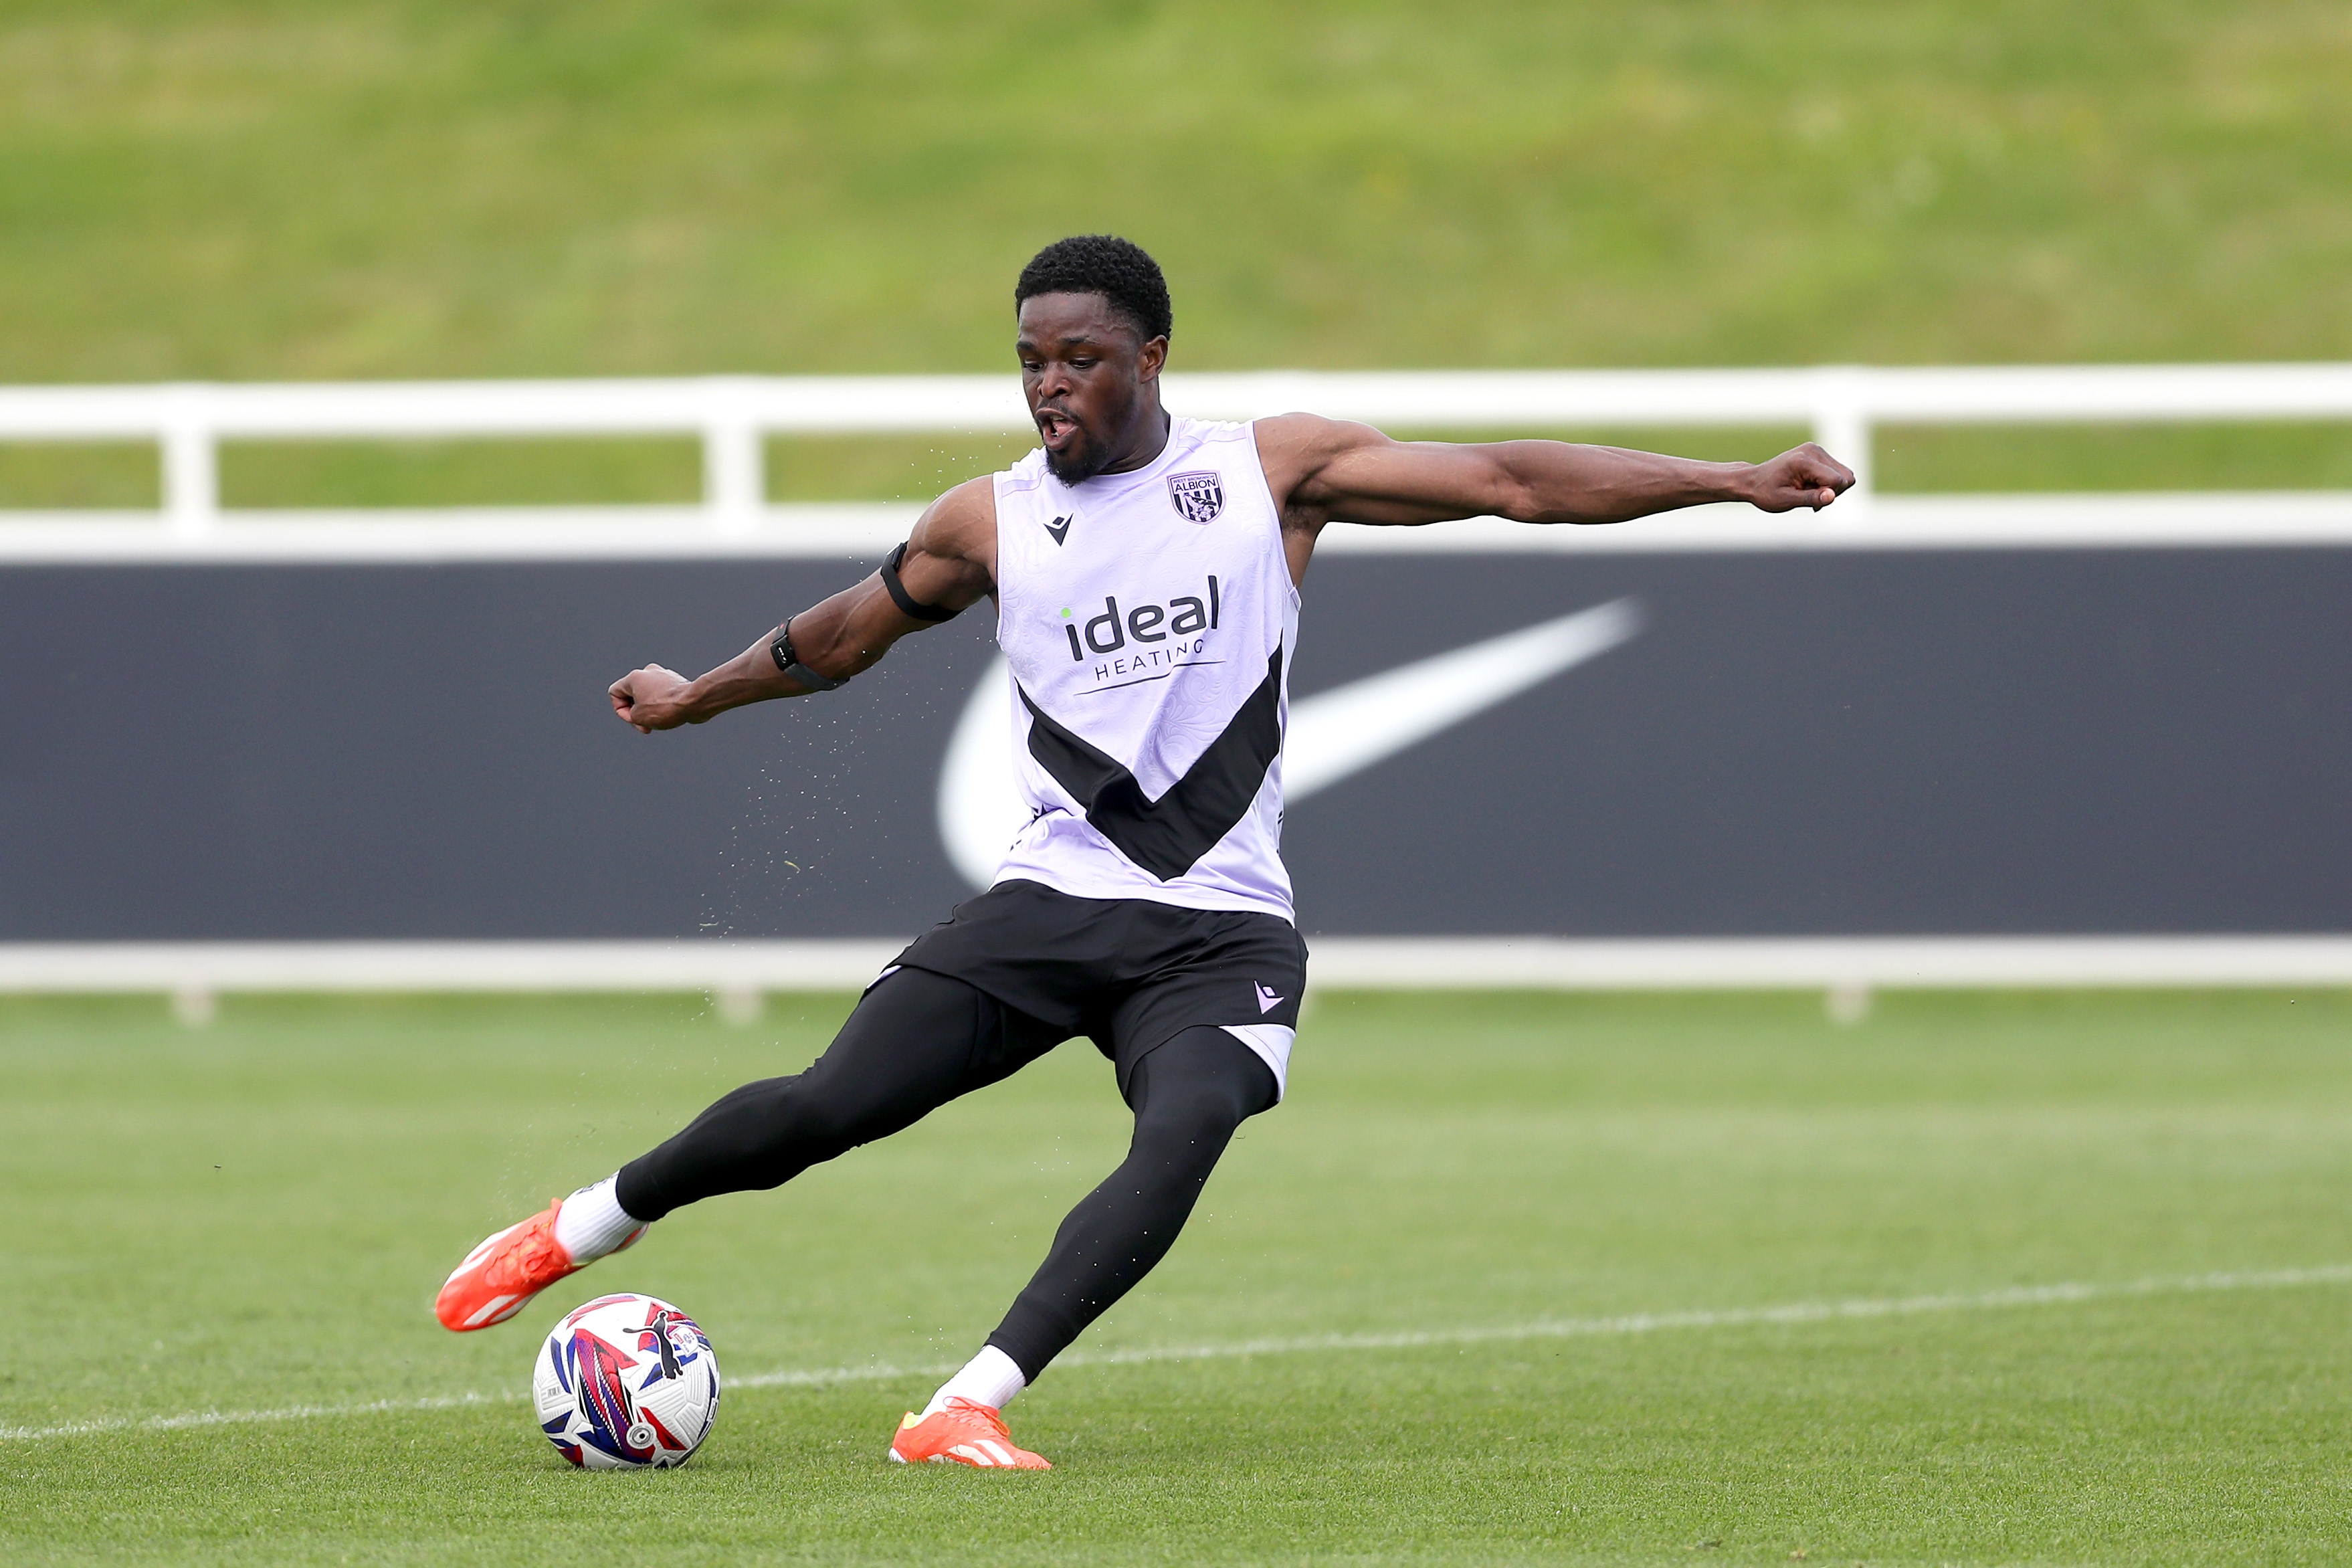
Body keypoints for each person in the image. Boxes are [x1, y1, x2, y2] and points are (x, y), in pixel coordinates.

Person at [435, 235, 1854, 1469]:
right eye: (1030, 361)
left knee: (1187, 1123)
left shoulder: (1271, 472)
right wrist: (701, 691)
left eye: (1082, 357)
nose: (1052, 383)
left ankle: (965, 1404)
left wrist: (1731, 477)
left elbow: (1509, 480)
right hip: (1049, 907)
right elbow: (847, 634)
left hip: (1224, 927)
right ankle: (586, 1221)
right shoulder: (990, 519)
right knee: (828, 1108)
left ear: (1152, 357)